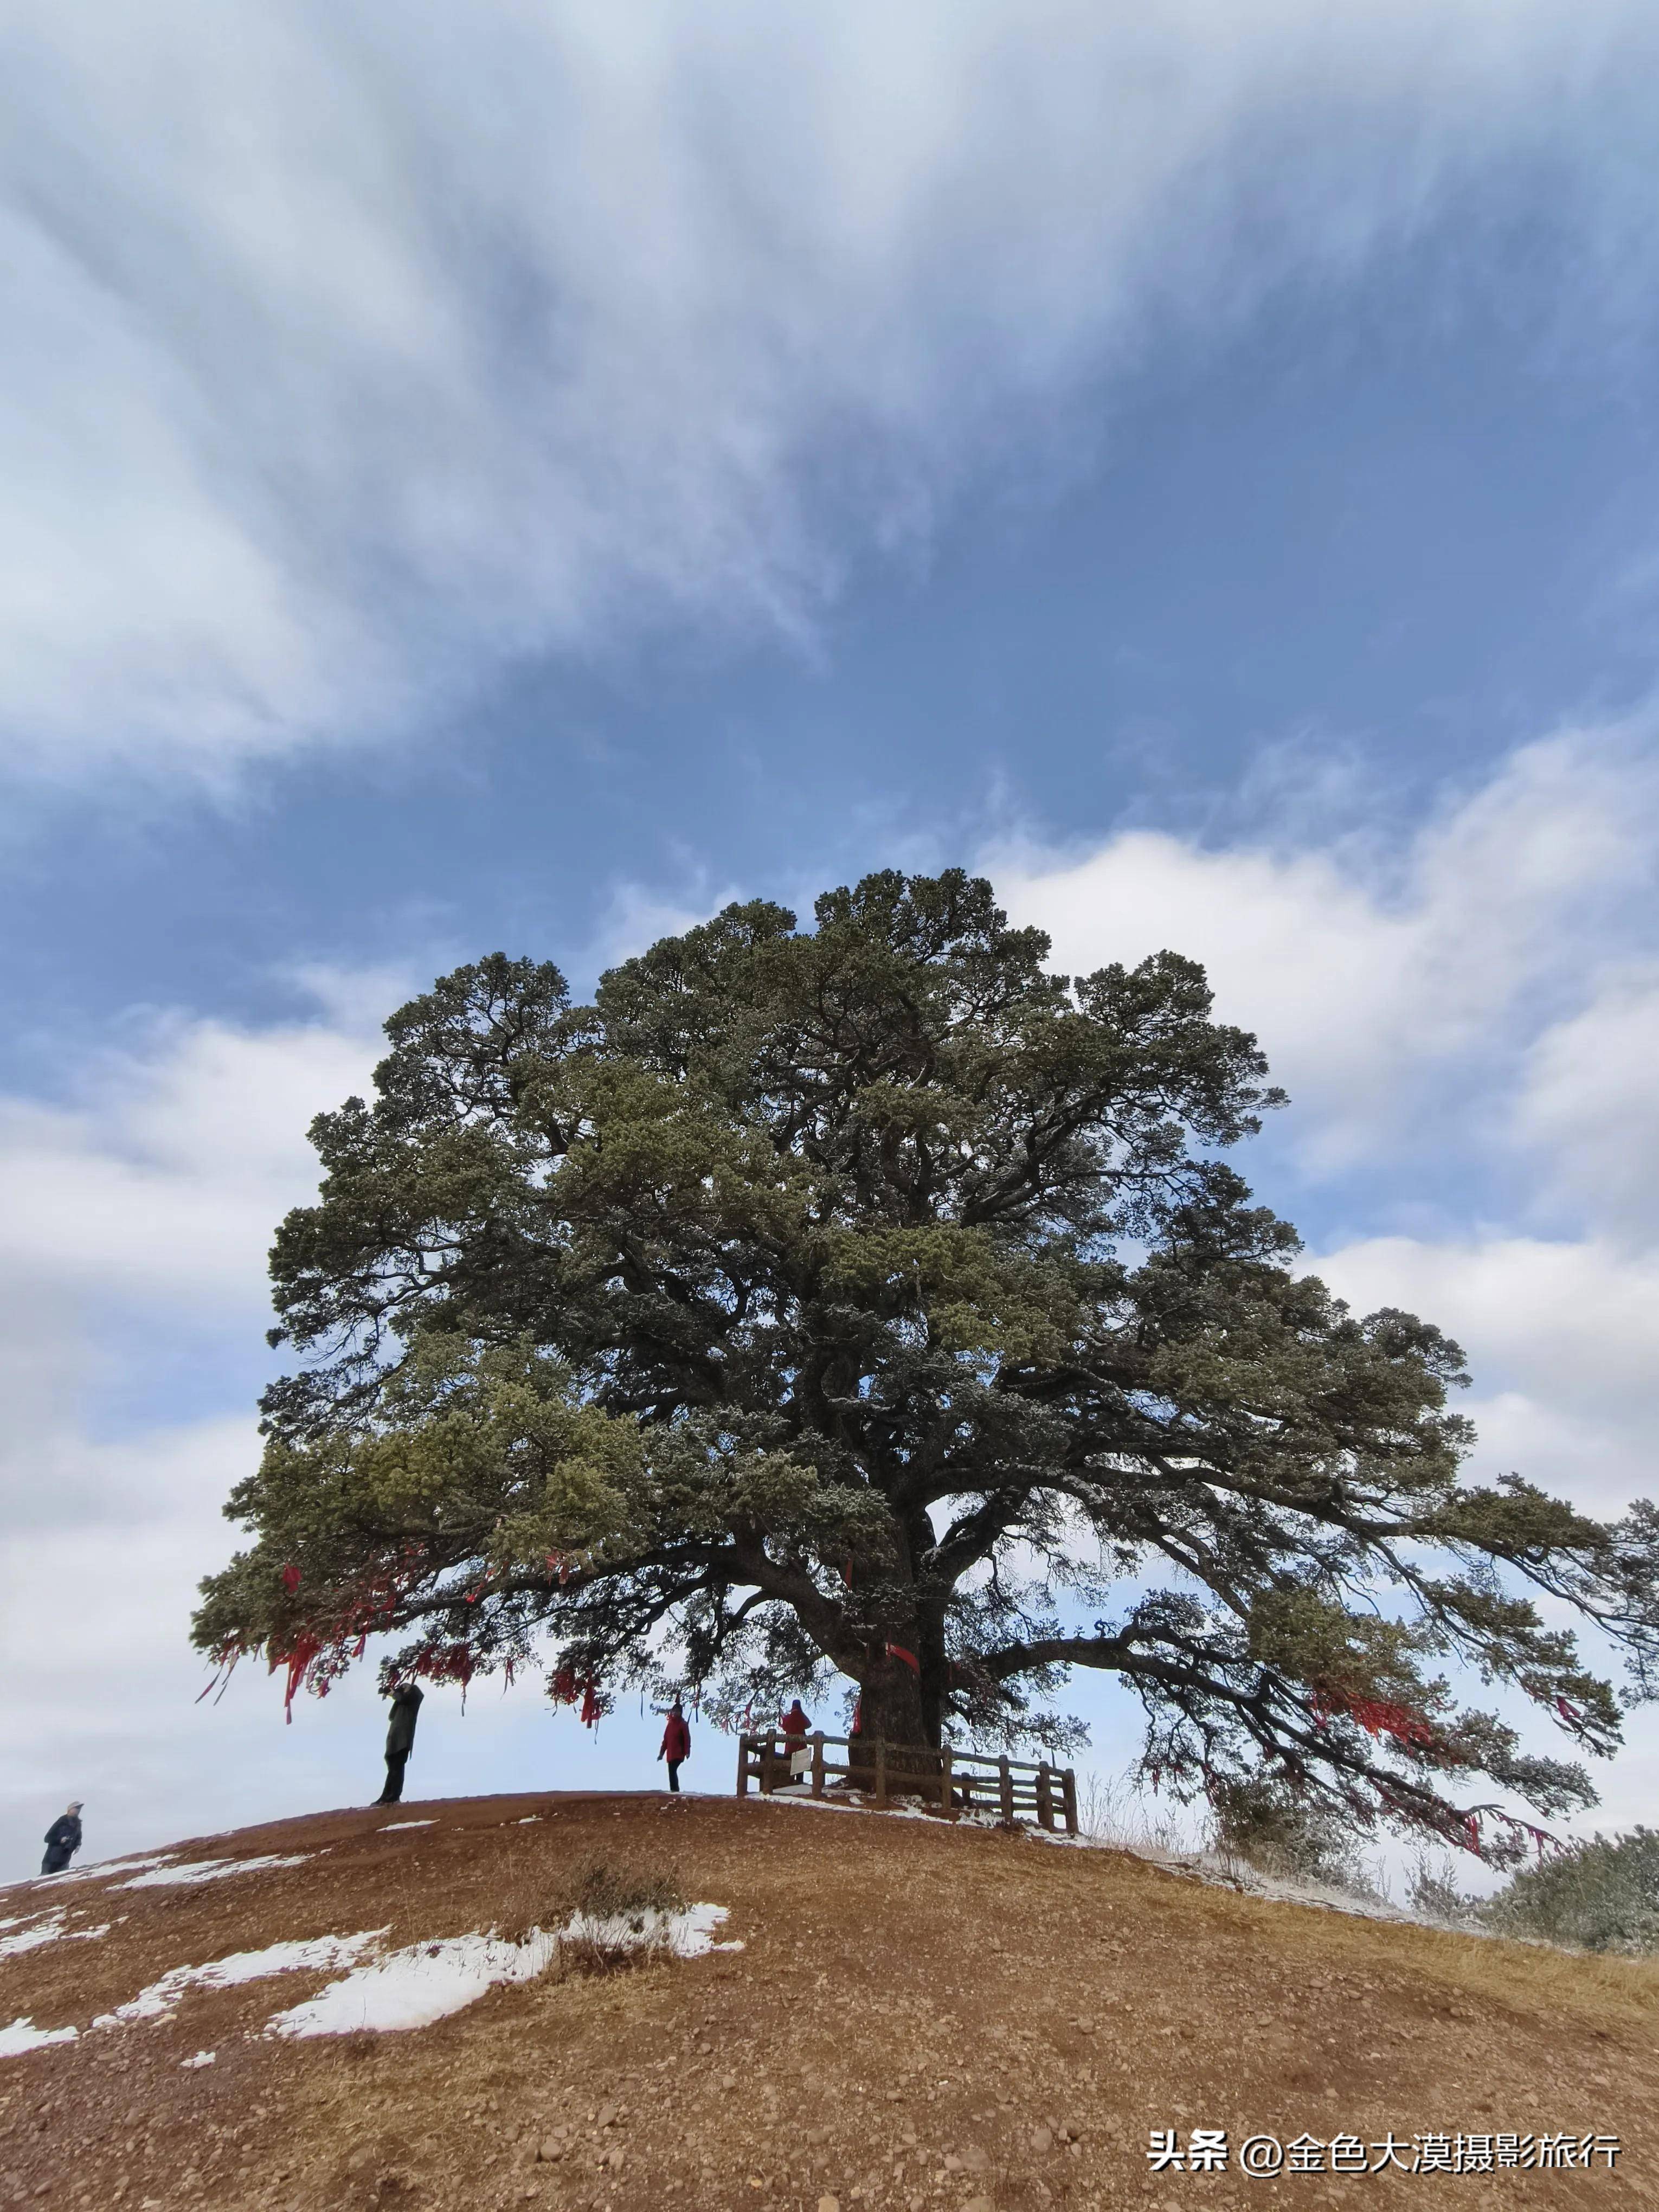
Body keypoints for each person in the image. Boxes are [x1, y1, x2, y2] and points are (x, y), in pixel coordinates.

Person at [375, 1682, 424, 1805]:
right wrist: (392, 1692)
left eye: (406, 1687)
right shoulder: (402, 1706)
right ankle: (387, 1795)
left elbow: (404, 1698)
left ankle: (393, 1796)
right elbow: (391, 1715)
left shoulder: (414, 1697)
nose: (403, 1688)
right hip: (395, 1738)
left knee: (397, 1767)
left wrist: (393, 1693)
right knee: (393, 1768)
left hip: (402, 1739)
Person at [41, 1802, 82, 1876]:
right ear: (70, 1809)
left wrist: (78, 1845)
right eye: (77, 1808)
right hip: (51, 1859)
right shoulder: (62, 1821)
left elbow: (78, 1836)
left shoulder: (78, 1824)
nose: (78, 1810)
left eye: (80, 1809)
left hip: (65, 1859)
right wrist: (60, 1840)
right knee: (45, 1879)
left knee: (61, 1878)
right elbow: (47, 1838)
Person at [658, 1699, 691, 1792]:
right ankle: (673, 1790)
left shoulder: (683, 1725)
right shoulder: (670, 1724)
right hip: (671, 1753)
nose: (676, 1713)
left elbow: (687, 1739)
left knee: (672, 1770)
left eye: (678, 1711)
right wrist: (661, 1754)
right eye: (675, 1711)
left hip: (679, 1753)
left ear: (681, 1713)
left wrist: (687, 1752)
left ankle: (675, 1790)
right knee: (671, 1771)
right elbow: (666, 1740)